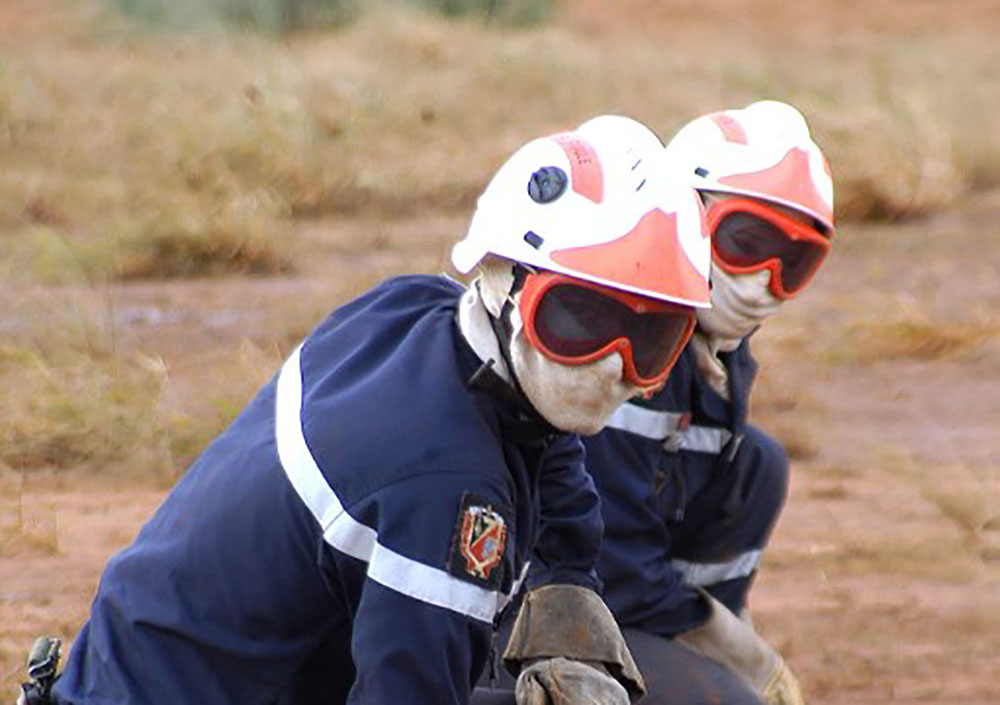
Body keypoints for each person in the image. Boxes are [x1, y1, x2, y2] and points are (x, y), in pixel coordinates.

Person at [20, 115, 712, 705]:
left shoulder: (413, 312)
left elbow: (548, 440)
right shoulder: (444, 488)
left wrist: (566, 581)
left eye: (650, 338)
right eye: (579, 318)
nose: (611, 362)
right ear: (503, 284)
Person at [583, 101, 835, 705]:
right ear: (684, 213)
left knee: (757, 465)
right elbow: (609, 569)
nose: (763, 284)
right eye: (745, 242)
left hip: (618, 595)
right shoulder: (619, 343)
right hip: (522, 606)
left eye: (793, 263)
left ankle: (672, 654)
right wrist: (731, 652)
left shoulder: (714, 346)